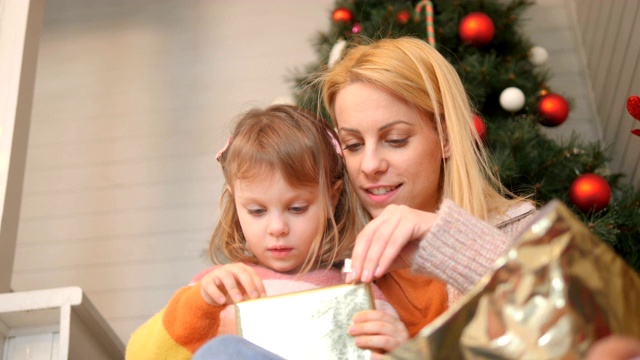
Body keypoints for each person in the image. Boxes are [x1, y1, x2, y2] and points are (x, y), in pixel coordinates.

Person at [190, 36, 537, 358]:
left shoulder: (517, 233)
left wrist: (446, 238)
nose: (369, 165)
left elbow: (569, 327)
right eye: (353, 145)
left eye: (396, 139)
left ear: (445, 138)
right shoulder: (327, 263)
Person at [125, 104, 402, 359]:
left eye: (296, 208)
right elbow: (138, 354)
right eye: (257, 211)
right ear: (235, 202)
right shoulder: (215, 290)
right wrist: (201, 305)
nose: (277, 229)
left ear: (332, 196)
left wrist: (395, 351)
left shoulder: (357, 290)